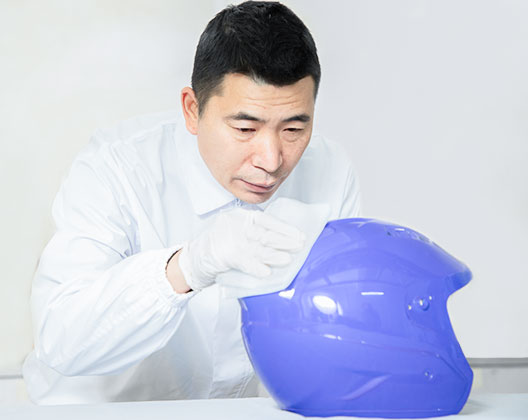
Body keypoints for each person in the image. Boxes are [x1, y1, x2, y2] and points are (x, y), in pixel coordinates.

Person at [22, 0, 362, 405]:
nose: (271, 160)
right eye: (244, 127)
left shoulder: (329, 169)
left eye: (292, 128)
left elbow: (342, 328)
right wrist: (188, 266)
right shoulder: (117, 168)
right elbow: (62, 339)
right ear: (192, 108)